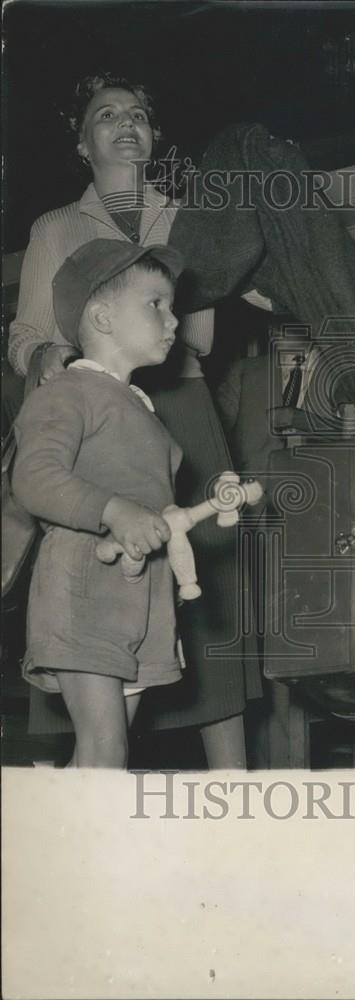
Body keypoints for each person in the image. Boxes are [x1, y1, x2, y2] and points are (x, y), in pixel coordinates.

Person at [8, 73, 261, 768]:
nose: (126, 124)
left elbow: (200, 339)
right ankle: (95, 777)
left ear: (154, 138)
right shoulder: (55, 227)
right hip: (90, 409)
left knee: (206, 603)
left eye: (140, 115)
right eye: (107, 115)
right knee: (100, 598)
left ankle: (234, 791)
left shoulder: (186, 218)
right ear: (82, 143)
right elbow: (25, 336)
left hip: (178, 406)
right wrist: (64, 358)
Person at [12, 240, 184, 768]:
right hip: (84, 583)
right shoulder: (68, 392)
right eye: (155, 304)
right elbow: (34, 479)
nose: (173, 320)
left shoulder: (140, 407)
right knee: (106, 751)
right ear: (102, 316)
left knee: (105, 757)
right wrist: (114, 510)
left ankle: (54, 834)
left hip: (143, 593)